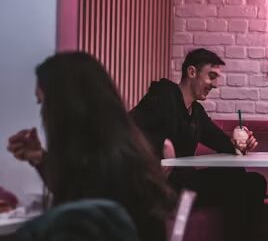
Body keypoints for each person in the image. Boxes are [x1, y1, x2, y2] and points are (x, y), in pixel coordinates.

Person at [6, 52, 174, 241]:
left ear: (65, 108)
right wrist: (39, 157)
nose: (42, 114)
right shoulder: (123, 156)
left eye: (43, 103)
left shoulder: (99, 172)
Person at [130, 48, 266, 240]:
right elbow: (128, 128)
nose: (215, 85)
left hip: (186, 183)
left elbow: (224, 144)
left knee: (251, 180)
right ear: (192, 72)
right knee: (242, 182)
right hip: (165, 186)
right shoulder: (164, 95)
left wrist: (241, 144)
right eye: (211, 76)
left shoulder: (196, 113)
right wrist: (162, 143)